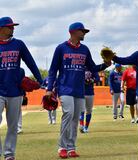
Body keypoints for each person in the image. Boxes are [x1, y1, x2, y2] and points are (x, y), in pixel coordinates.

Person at [46, 22, 111, 158]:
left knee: (75, 119)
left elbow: (92, 67)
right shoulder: (61, 48)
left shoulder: (84, 49)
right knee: (68, 114)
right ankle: (62, 147)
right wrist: (49, 88)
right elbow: (53, 70)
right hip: (64, 88)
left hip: (79, 90)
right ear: (74, 32)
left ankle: (71, 147)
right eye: (82, 31)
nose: (84, 34)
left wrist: (105, 65)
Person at [0, 17, 43, 160]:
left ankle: (9, 154)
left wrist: (41, 80)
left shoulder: (18, 44)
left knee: (12, 126)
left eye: (13, 26)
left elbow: (30, 62)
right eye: (9, 26)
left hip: (15, 91)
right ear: (1, 29)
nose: (13, 28)